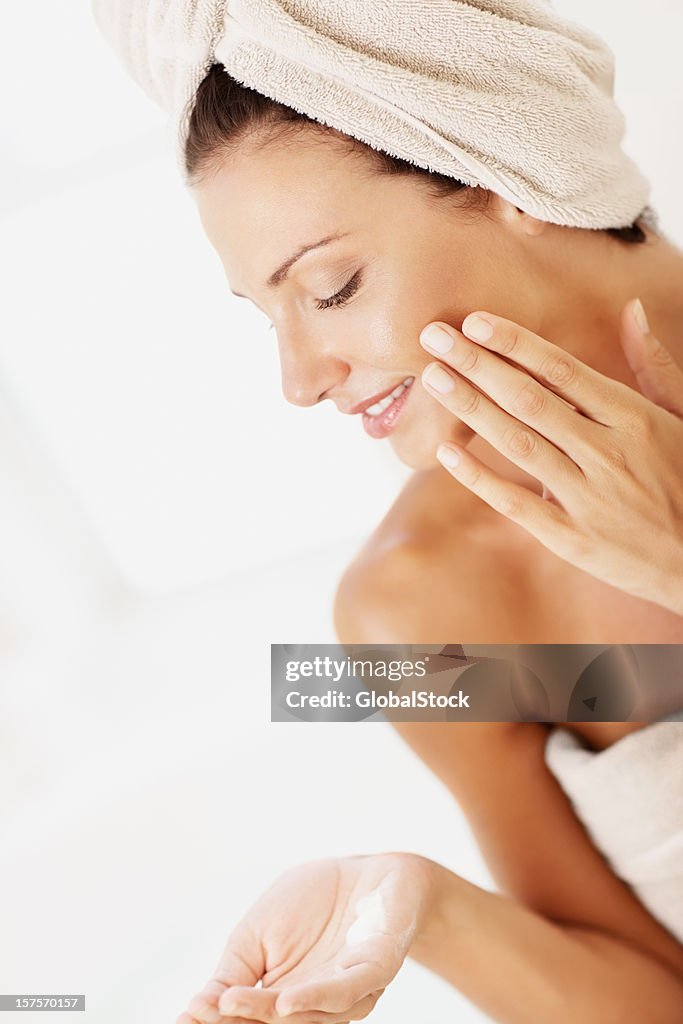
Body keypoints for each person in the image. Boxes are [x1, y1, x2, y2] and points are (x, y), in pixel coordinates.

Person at [174, 57, 683, 1024]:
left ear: (508, 177)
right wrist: (425, 905)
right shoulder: (415, 603)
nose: (300, 379)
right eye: (264, 317)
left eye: (329, 289)